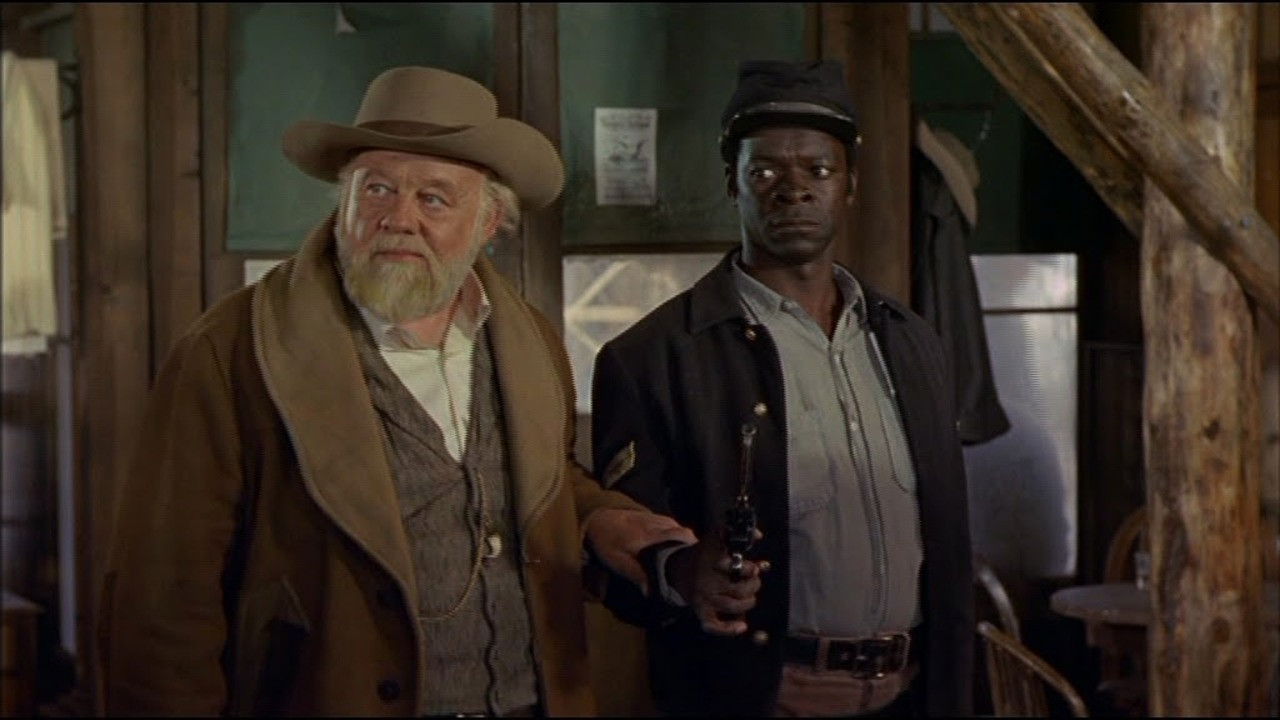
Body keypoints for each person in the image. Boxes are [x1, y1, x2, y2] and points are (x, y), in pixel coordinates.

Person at [99, 66, 693, 717]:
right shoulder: (233, 351)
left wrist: (600, 517)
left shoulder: (528, 338)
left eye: (434, 198)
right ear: (344, 204)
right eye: (376, 189)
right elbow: (164, 595)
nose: (398, 219)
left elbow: (534, 481)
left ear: (489, 222)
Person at [590, 60, 974, 717]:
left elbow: (950, 546)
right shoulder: (652, 357)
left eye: (818, 170)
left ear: (849, 185)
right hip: (758, 699)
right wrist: (682, 573)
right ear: (731, 184)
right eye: (764, 172)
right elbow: (616, 565)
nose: (793, 190)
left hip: (913, 695)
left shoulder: (912, 341)